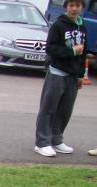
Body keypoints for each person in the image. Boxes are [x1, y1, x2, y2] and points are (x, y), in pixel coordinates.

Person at [34, 0, 87, 157]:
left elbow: (83, 53)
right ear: (66, 7)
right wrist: (70, 51)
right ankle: (42, 142)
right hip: (57, 73)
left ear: (81, 8)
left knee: (65, 111)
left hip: (72, 76)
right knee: (48, 108)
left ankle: (56, 140)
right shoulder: (58, 25)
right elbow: (50, 48)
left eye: (78, 6)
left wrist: (80, 75)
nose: (74, 9)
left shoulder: (82, 26)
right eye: (71, 5)